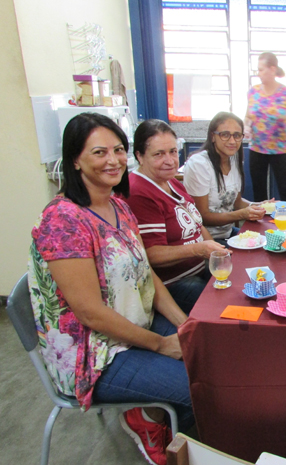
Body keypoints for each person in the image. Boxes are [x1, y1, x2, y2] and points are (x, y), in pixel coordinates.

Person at [28, 113, 193, 465]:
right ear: (75, 159)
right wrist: (162, 344)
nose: (114, 160)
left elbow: (145, 273)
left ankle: (153, 417)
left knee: (204, 353)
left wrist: (185, 325)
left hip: (133, 322)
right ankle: (167, 438)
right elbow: (89, 312)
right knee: (195, 385)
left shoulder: (118, 204)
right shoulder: (63, 220)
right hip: (93, 353)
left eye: (118, 150)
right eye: (99, 152)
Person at [126, 119, 225, 315]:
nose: (170, 160)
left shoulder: (171, 181)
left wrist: (217, 254)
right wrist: (199, 249)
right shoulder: (138, 192)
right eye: (159, 154)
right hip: (174, 284)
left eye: (172, 151)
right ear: (139, 156)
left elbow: (197, 224)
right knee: (226, 304)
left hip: (200, 267)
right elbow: (151, 254)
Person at [184, 112, 267, 243]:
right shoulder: (199, 164)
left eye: (237, 135)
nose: (232, 141)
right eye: (225, 135)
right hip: (204, 240)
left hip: (227, 233)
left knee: (266, 241)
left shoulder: (234, 159)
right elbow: (202, 217)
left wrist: (260, 206)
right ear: (212, 136)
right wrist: (241, 214)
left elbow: (237, 202)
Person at [245, 52, 286, 203]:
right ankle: (260, 223)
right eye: (257, 70)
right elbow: (247, 116)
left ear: (272, 69)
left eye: (261, 70)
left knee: (285, 191)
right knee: (259, 193)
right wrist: (246, 127)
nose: (258, 74)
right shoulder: (254, 92)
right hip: (257, 149)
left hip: (281, 150)